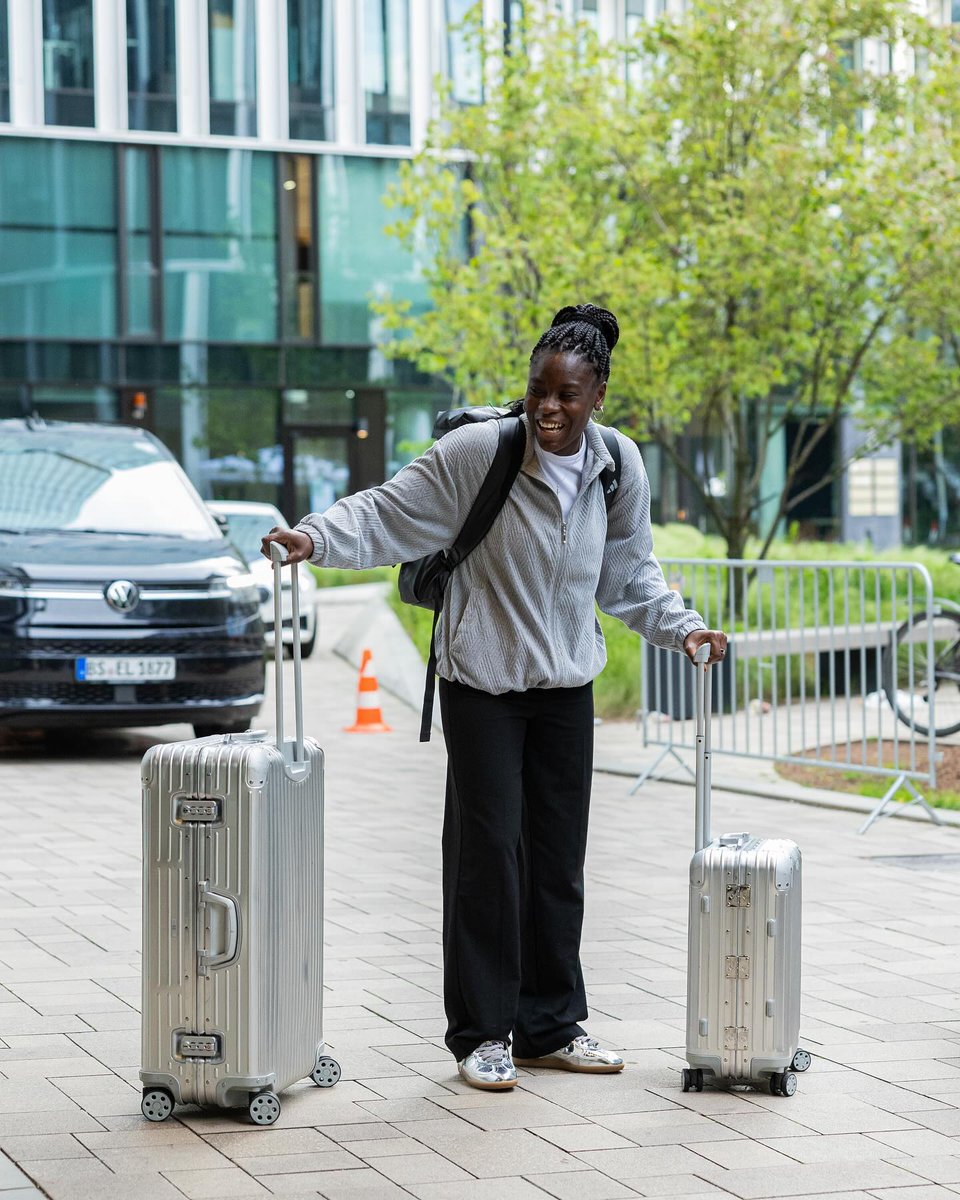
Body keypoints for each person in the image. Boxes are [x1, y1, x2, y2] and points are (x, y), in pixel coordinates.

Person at [262, 303, 727, 1091]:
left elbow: (628, 576)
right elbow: (388, 511)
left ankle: (550, 1025)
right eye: (539, 390)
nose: (549, 408)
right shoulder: (480, 453)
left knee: (557, 864)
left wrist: (683, 630)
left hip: (564, 689)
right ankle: (481, 1033)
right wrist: (314, 537)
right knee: (489, 859)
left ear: (599, 396)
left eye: (568, 396)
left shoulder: (618, 465)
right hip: (480, 683)